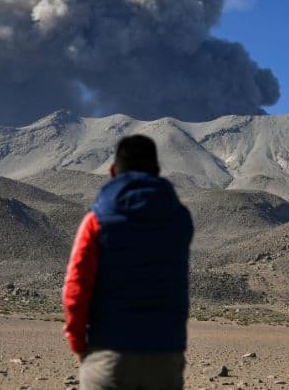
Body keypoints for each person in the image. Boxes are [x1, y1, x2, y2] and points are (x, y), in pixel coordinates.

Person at [62, 134, 194, 390]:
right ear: (157, 171)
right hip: (165, 355)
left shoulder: (96, 220)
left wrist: (78, 344)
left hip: (110, 352)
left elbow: (75, 287)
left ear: (112, 171)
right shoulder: (180, 218)